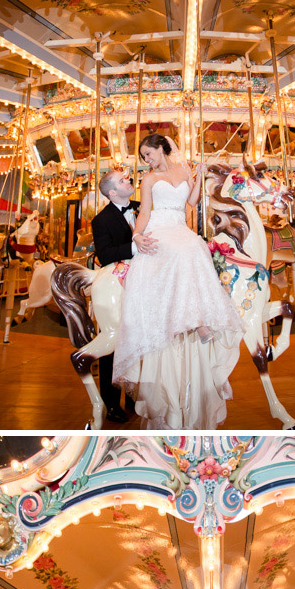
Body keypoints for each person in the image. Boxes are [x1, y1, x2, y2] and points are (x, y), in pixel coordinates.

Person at [111, 133, 242, 430]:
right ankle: (197, 322)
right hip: (159, 228)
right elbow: (144, 211)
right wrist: (137, 235)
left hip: (180, 227)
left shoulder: (183, 171)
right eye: (144, 156)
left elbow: (192, 202)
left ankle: (197, 318)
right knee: (182, 250)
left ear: (161, 148)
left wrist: (199, 175)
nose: (147, 159)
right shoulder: (148, 180)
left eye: (149, 153)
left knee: (195, 247)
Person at [90, 169, 157, 424]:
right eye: (122, 180)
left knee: (143, 339)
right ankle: (110, 401)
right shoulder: (102, 220)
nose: (128, 181)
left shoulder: (144, 207)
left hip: (146, 281)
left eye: (127, 178)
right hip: (119, 283)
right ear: (111, 192)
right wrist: (134, 245)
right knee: (115, 343)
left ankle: (135, 395)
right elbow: (105, 255)